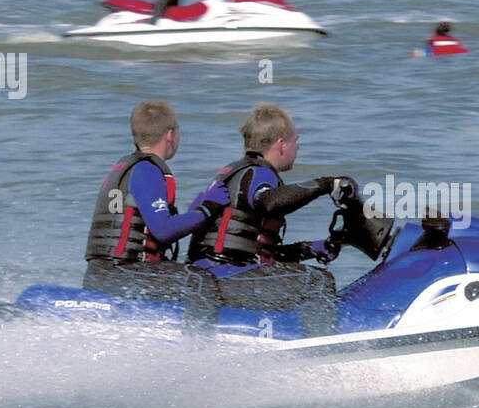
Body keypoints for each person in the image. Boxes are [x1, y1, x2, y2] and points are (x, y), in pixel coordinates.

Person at [187, 104, 353, 336]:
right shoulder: (258, 173)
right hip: (223, 277)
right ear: (281, 144)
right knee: (316, 280)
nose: (297, 148)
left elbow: (249, 249)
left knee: (300, 274)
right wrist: (325, 185)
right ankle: (323, 351)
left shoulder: (235, 171)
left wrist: (308, 249)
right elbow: (270, 202)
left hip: (216, 273)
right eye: (296, 141)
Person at [84, 100, 229, 310]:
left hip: (103, 274)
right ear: (170, 135)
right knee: (198, 281)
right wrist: (207, 209)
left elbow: (151, 229)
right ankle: (197, 333)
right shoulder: (147, 170)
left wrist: (193, 214)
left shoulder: (127, 167)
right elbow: (163, 230)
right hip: (123, 274)